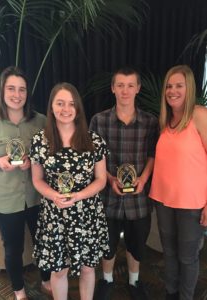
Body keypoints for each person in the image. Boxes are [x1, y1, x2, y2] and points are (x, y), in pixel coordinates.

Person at [29, 82, 109, 300]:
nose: (66, 109)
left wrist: (79, 196)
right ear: (52, 107)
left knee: (88, 268)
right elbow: (37, 179)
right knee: (59, 270)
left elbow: (101, 179)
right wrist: (54, 195)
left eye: (71, 104)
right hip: (55, 214)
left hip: (86, 214)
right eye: (60, 103)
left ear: (78, 108)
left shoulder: (94, 140)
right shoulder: (39, 141)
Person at [0, 66, 51, 300]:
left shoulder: (40, 121)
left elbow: (49, 156)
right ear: (2, 91)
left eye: (22, 89)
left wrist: (32, 160)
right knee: (13, 249)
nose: (17, 94)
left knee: (43, 242)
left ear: (27, 93)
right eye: (11, 88)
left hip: (36, 194)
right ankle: (19, 290)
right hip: (4, 198)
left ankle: (46, 280)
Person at [89, 67, 159, 300]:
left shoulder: (150, 122)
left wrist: (144, 179)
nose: (125, 90)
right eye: (120, 85)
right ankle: (107, 280)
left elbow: (152, 155)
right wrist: (109, 179)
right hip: (108, 197)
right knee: (107, 244)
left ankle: (134, 281)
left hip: (139, 197)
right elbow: (93, 157)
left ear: (138, 88)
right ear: (113, 88)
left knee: (136, 244)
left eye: (130, 85)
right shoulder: (99, 121)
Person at [149, 65, 207, 300]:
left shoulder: (199, 115)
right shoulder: (165, 120)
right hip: (163, 200)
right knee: (170, 254)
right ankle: (171, 294)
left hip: (191, 203)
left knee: (187, 257)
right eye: (169, 86)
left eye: (179, 86)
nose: (172, 91)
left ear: (189, 88)